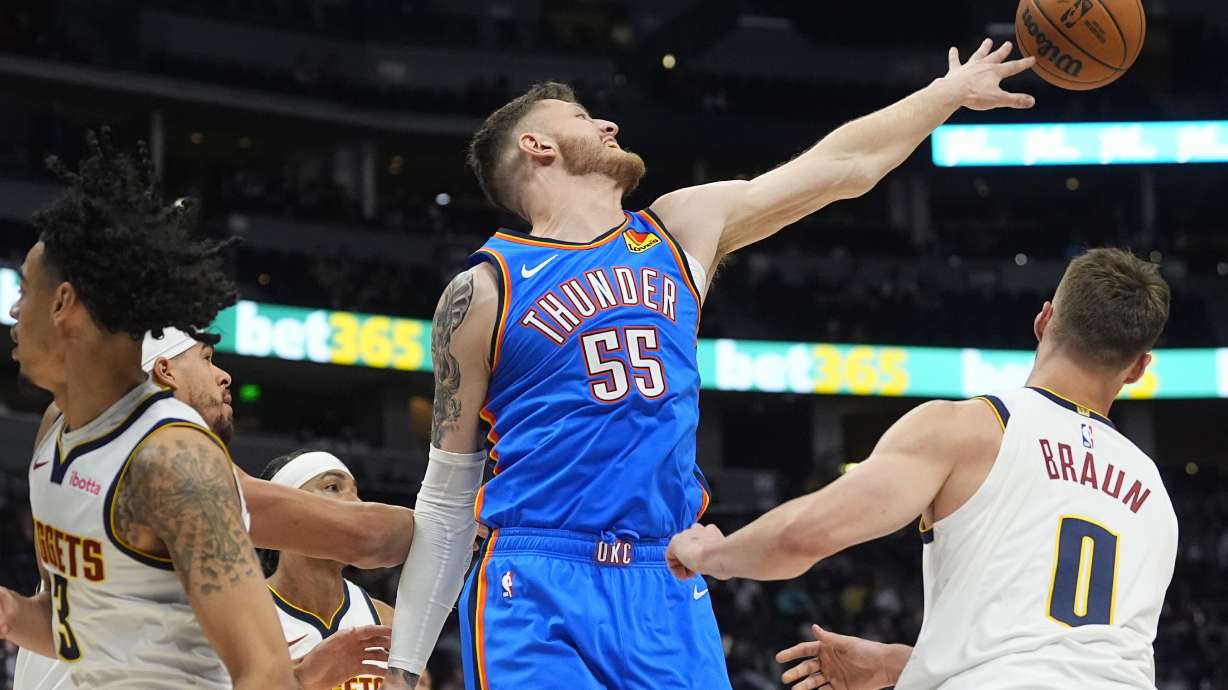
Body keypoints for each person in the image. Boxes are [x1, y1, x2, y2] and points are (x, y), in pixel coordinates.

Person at [386, 39, 1037, 689]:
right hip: (536, 579)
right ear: (537, 146)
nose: (608, 124)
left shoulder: (677, 228)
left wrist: (946, 93)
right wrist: (406, 664)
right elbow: (444, 503)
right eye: (583, 118)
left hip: (665, 573)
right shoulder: (483, 291)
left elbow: (845, 165)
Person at [666, 248, 1177, 690]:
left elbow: (805, 535)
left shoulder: (972, 428)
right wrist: (901, 666)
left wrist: (715, 553)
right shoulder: (1155, 494)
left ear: (1044, 320)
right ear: (1138, 368)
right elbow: (1072, 654)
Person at [0, 130, 295, 688]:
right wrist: (13, 614)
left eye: (25, 290)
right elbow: (88, 636)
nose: (15, 311)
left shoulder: (173, 461)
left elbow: (266, 671)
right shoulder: (58, 442)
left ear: (63, 305)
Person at [11, 325, 410, 689]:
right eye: (205, 357)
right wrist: (444, 519)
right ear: (165, 371)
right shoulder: (169, 457)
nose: (224, 375)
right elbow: (364, 538)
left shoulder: (67, 428)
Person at [258, 449, 425, 690]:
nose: (356, 504)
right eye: (333, 487)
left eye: (356, 493)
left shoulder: (386, 621)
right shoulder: (242, 616)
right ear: (285, 512)